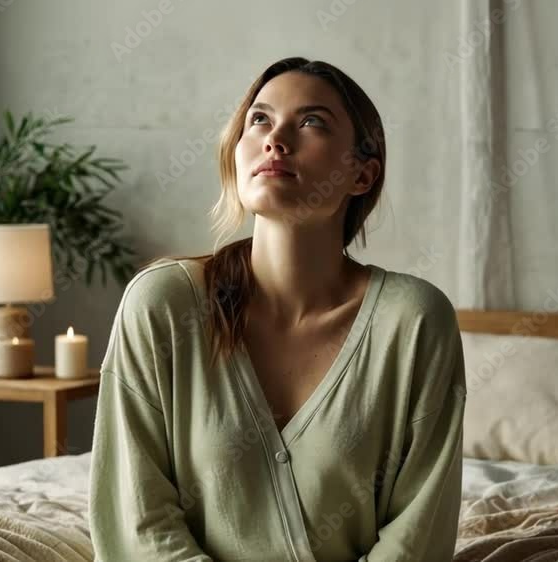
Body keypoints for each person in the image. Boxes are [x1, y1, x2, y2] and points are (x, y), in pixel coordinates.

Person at [89, 56, 466, 562]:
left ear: (361, 173)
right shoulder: (163, 306)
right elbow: (136, 522)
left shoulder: (416, 322)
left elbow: (419, 535)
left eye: (311, 122)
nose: (275, 139)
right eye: (259, 120)